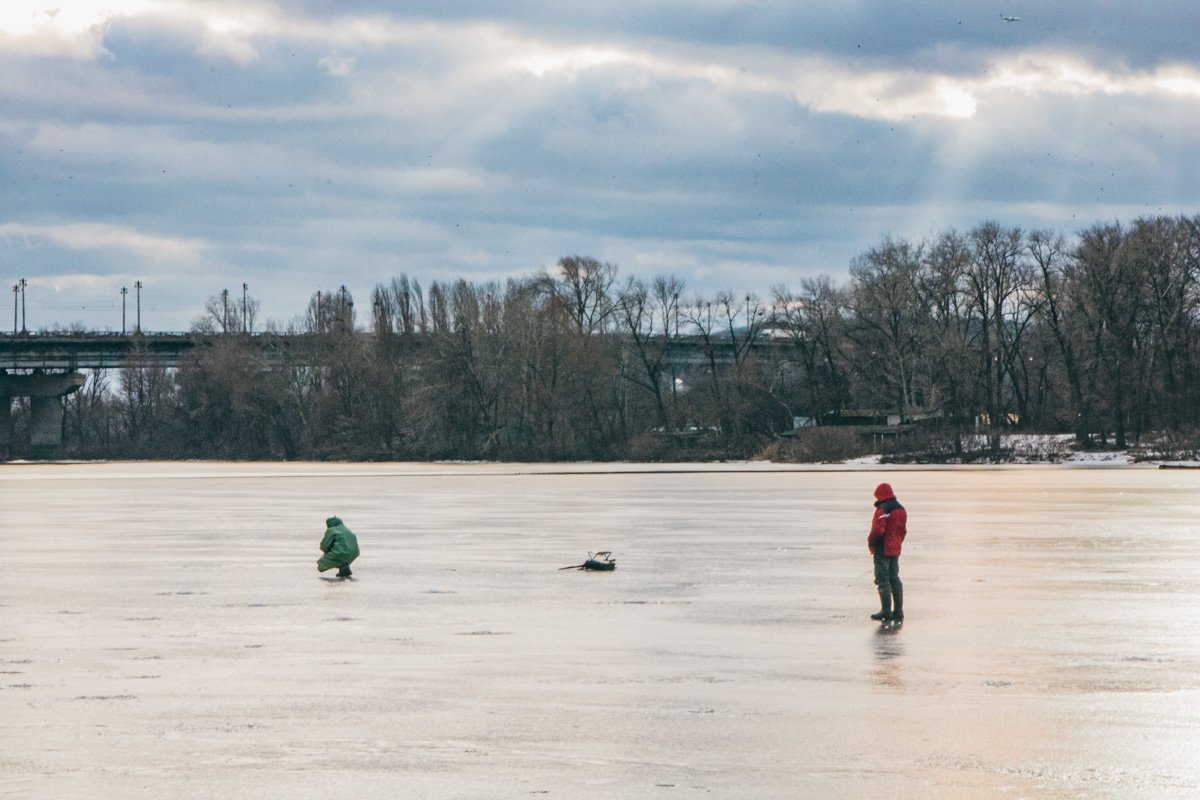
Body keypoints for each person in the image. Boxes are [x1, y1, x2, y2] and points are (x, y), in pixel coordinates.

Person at [867, 483, 906, 621]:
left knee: (883, 579)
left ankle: (886, 611)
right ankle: (898, 611)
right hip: (895, 549)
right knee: (894, 578)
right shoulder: (901, 509)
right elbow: (902, 531)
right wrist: (898, 543)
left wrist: (870, 541)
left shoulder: (883, 510)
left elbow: (878, 530)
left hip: (882, 549)